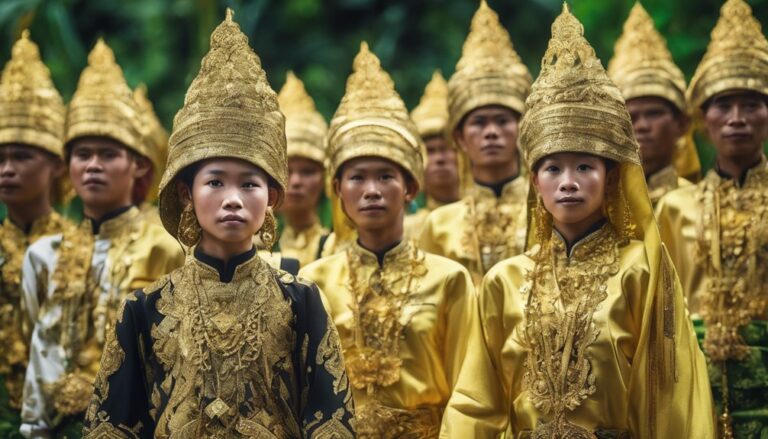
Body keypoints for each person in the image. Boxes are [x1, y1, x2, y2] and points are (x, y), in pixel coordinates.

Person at [441, 6, 714, 438]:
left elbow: (670, 397)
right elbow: (478, 402)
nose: (568, 183)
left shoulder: (642, 269)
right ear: (534, 181)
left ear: (609, 179)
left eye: (584, 167)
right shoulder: (503, 281)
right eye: (553, 169)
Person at [82, 11, 355, 438]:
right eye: (215, 182)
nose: (233, 198)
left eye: (249, 183)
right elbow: (113, 425)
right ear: (186, 194)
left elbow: (330, 420)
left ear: (272, 198)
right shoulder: (143, 309)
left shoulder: (302, 301)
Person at [299, 42, 477, 437]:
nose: (372, 190)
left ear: (410, 188)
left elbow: (470, 390)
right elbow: (302, 390)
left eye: (386, 176)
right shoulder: (312, 283)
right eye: (357, 177)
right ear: (338, 190)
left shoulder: (449, 280)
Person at [20, 38, 184, 438]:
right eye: (83, 154)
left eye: (108, 154)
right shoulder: (45, 253)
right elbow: (35, 347)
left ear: (138, 165)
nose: (93, 166)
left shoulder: (164, 247)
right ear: (67, 167)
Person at [655, 0, 768, 436]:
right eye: (723, 105)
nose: (737, 118)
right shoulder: (675, 207)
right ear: (702, 118)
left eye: (752, 103)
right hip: (694, 385)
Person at [419, 0, 532, 284]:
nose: (491, 132)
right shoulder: (440, 225)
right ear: (459, 138)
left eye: (503, 121)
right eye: (479, 122)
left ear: (522, 128)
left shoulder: (547, 210)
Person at [0, 30, 72, 438]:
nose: (7, 169)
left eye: (22, 157)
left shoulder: (84, 247)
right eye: (0, 158)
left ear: (57, 166)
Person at [607, 1, 698, 205]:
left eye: (654, 113)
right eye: (631, 116)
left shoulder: (700, 204)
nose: (642, 126)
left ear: (682, 124)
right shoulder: (600, 208)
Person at [275, 72, 329, 268]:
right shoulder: (253, 250)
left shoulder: (338, 248)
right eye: (287, 171)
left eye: (307, 172)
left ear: (326, 179)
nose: (296, 182)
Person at [405, 71, 460, 239]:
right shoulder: (407, 229)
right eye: (430, 151)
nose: (439, 159)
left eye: (446, 149)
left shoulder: (483, 217)